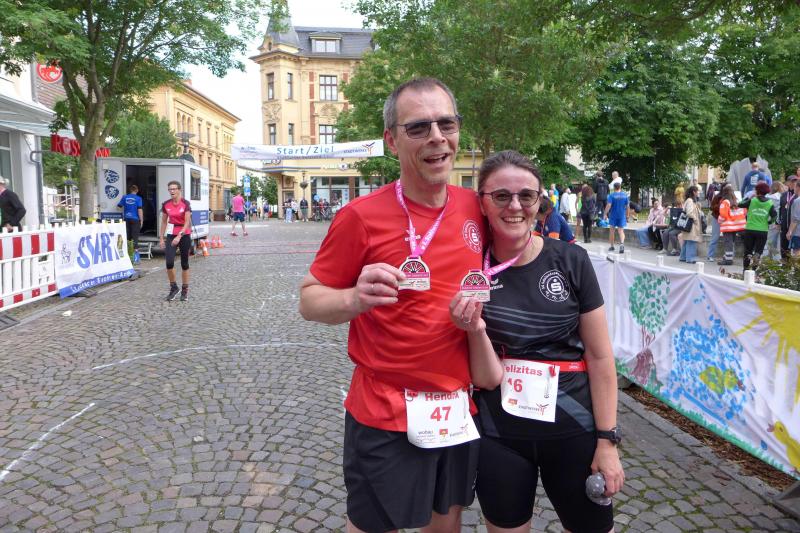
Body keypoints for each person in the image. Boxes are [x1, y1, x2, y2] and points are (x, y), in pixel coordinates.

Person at [298, 77, 485, 533]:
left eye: (446, 123)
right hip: (384, 411)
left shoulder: (476, 208)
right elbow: (309, 300)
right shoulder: (359, 217)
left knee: (446, 523)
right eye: (418, 127)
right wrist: (354, 298)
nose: (437, 137)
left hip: (456, 409)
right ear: (391, 140)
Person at [450, 150, 624, 533]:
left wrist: (607, 441)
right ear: (482, 202)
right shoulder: (469, 268)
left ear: (539, 200)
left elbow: (599, 356)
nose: (515, 206)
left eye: (526, 196)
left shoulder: (571, 261)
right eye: (501, 196)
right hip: (500, 435)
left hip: (573, 428)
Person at [159, 181, 192, 301]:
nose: (172, 191)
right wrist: (161, 238)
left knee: (184, 263)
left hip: (184, 234)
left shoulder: (185, 204)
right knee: (169, 262)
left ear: (179, 190)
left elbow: (187, 222)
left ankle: (185, 290)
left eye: (174, 189)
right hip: (171, 234)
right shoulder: (166, 204)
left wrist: (179, 236)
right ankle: (174, 288)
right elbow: (164, 222)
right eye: (170, 189)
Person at [738, 182, 777, 270]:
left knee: (748, 251)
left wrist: (749, 197)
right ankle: (754, 270)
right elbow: (774, 216)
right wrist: (768, 222)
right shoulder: (770, 203)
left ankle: (746, 270)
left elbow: (739, 204)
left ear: (757, 191)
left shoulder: (752, 200)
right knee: (758, 251)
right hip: (762, 230)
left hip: (750, 229)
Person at [718, 184, 747, 266]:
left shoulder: (725, 202)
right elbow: (745, 212)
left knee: (728, 243)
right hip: (737, 226)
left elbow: (723, 215)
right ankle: (727, 257)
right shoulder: (737, 201)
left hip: (728, 227)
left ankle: (728, 260)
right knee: (732, 242)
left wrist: (719, 220)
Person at [678, 185, 703, 264]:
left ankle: (683, 257)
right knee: (691, 241)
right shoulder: (690, 201)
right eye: (698, 191)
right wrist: (695, 219)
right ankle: (690, 258)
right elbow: (689, 213)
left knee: (687, 241)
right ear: (694, 192)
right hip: (691, 224)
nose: (699, 193)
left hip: (689, 224)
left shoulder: (690, 200)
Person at [604, 181, 629, 253]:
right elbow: (627, 206)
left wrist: (605, 213)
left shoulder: (611, 195)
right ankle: (622, 244)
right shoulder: (625, 195)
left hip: (613, 215)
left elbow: (609, 205)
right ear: (620, 187)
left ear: (614, 188)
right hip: (622, 215)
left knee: (612, 231)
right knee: (621, 231)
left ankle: (612, 246)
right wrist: (627, 215)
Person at [762, 182, 785, 261]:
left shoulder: (767, 198)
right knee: (777, 243)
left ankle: (768, 259)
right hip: (779, 222)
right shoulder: (782, 197)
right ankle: (776, 260)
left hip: (769, 221)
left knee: (769, 242)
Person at [118, 184, 143, 249]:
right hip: (135, 219)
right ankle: (135, 252)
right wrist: (141, 220)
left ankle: (127, 251)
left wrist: (126, 208)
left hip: (126, 218)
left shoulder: (124, 197)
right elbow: (139, 210)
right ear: (137, 190)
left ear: (130, 190)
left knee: (127, 236)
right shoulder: (138, 198)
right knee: (135, 237)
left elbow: (119, 206)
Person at [779, 174, 798, 258]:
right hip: (784, 226)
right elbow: (780, 209)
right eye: (792, 181)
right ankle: (785, 264)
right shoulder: (784, 195)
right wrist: (778, 221)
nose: (793, 183)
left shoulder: (798, 196)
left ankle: (795, 265)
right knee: (784, 249)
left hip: (795, 227)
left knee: (796, 250)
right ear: (787, 183)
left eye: (795, 182)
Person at [707, 187, 723, 262]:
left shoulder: (731, 196)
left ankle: (728, 256)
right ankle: (710, 255)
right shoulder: (717, 196)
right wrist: (720, 206)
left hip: (727, 219)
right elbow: (711, 207)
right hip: (717, 218)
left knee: (729, 239)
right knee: (715, 237)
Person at [787, 179, 800, 257]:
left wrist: (790, 231)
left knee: (796, 253)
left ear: (798, 187)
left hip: (797, 232)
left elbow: (795, 219)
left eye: (795, 186)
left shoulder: (797, 201)